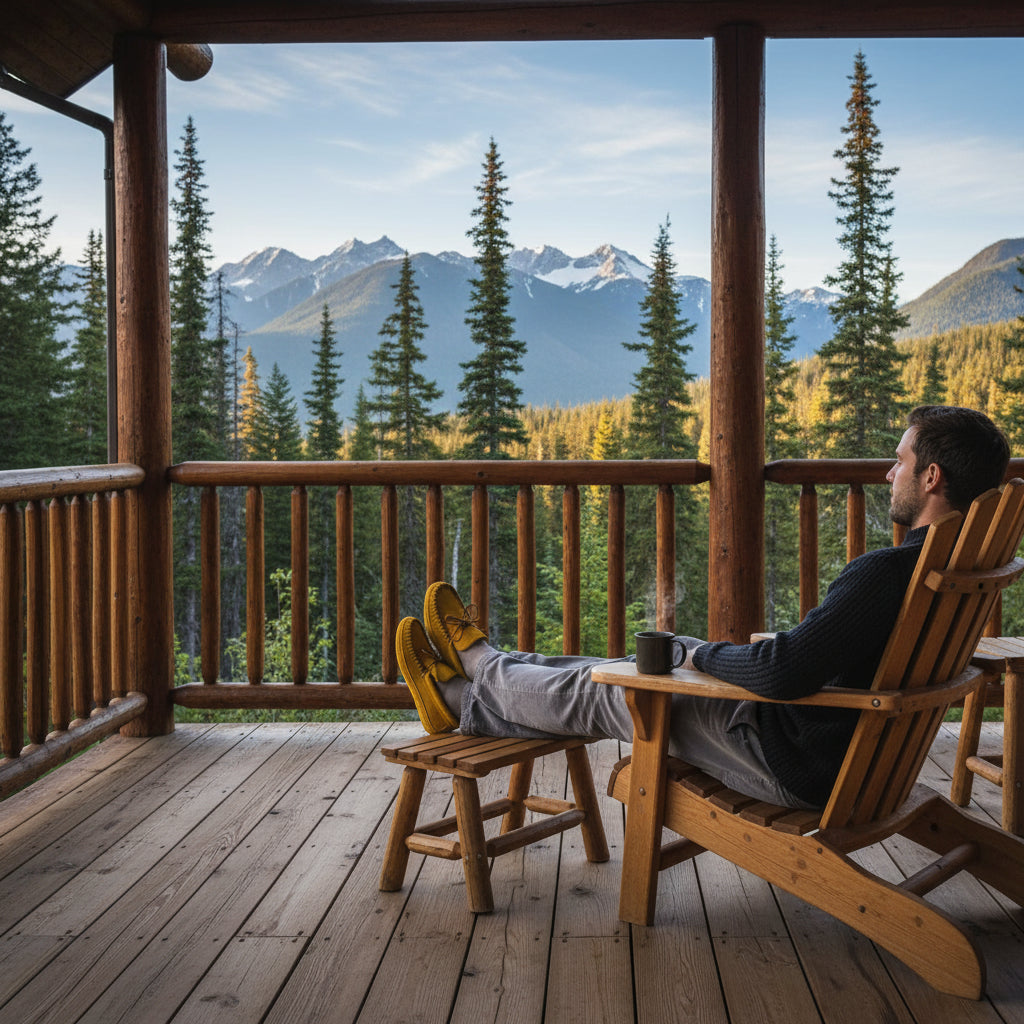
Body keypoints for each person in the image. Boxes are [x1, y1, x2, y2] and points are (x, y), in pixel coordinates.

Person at [396, 406, 1011, 810]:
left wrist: (705, 655)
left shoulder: (888, 572)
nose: (886, 475)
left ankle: (468, 682)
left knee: (613, 690)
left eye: (898, 462)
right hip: (853, 754)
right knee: (617, 666)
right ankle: (483, 675)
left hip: (795, 761)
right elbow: (806, 663)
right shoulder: (959, 569)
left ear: (930, 478)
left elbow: (782, 673)